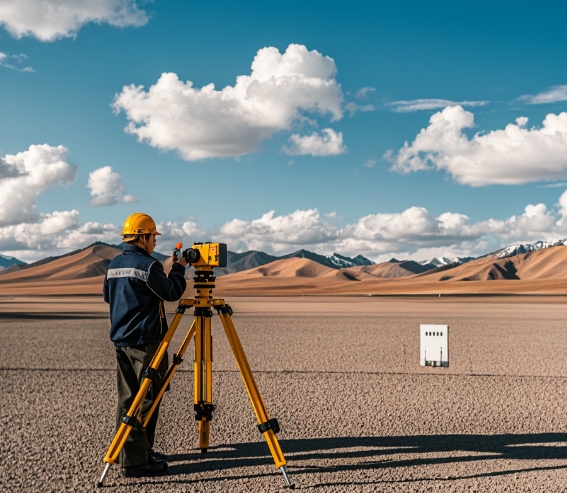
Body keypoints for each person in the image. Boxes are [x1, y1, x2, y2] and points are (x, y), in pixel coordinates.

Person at [103, 212, 188, 478]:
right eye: (152, 237)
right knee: (146, 398)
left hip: (121, 340)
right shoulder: (148, 266)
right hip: (145, 342)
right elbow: (172, 292)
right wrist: (178, 268)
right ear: (142, 237)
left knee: (128, 398)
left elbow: (109, 297)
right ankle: (137, 463)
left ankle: (132, 452)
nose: (154, 242)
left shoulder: (114, 264)